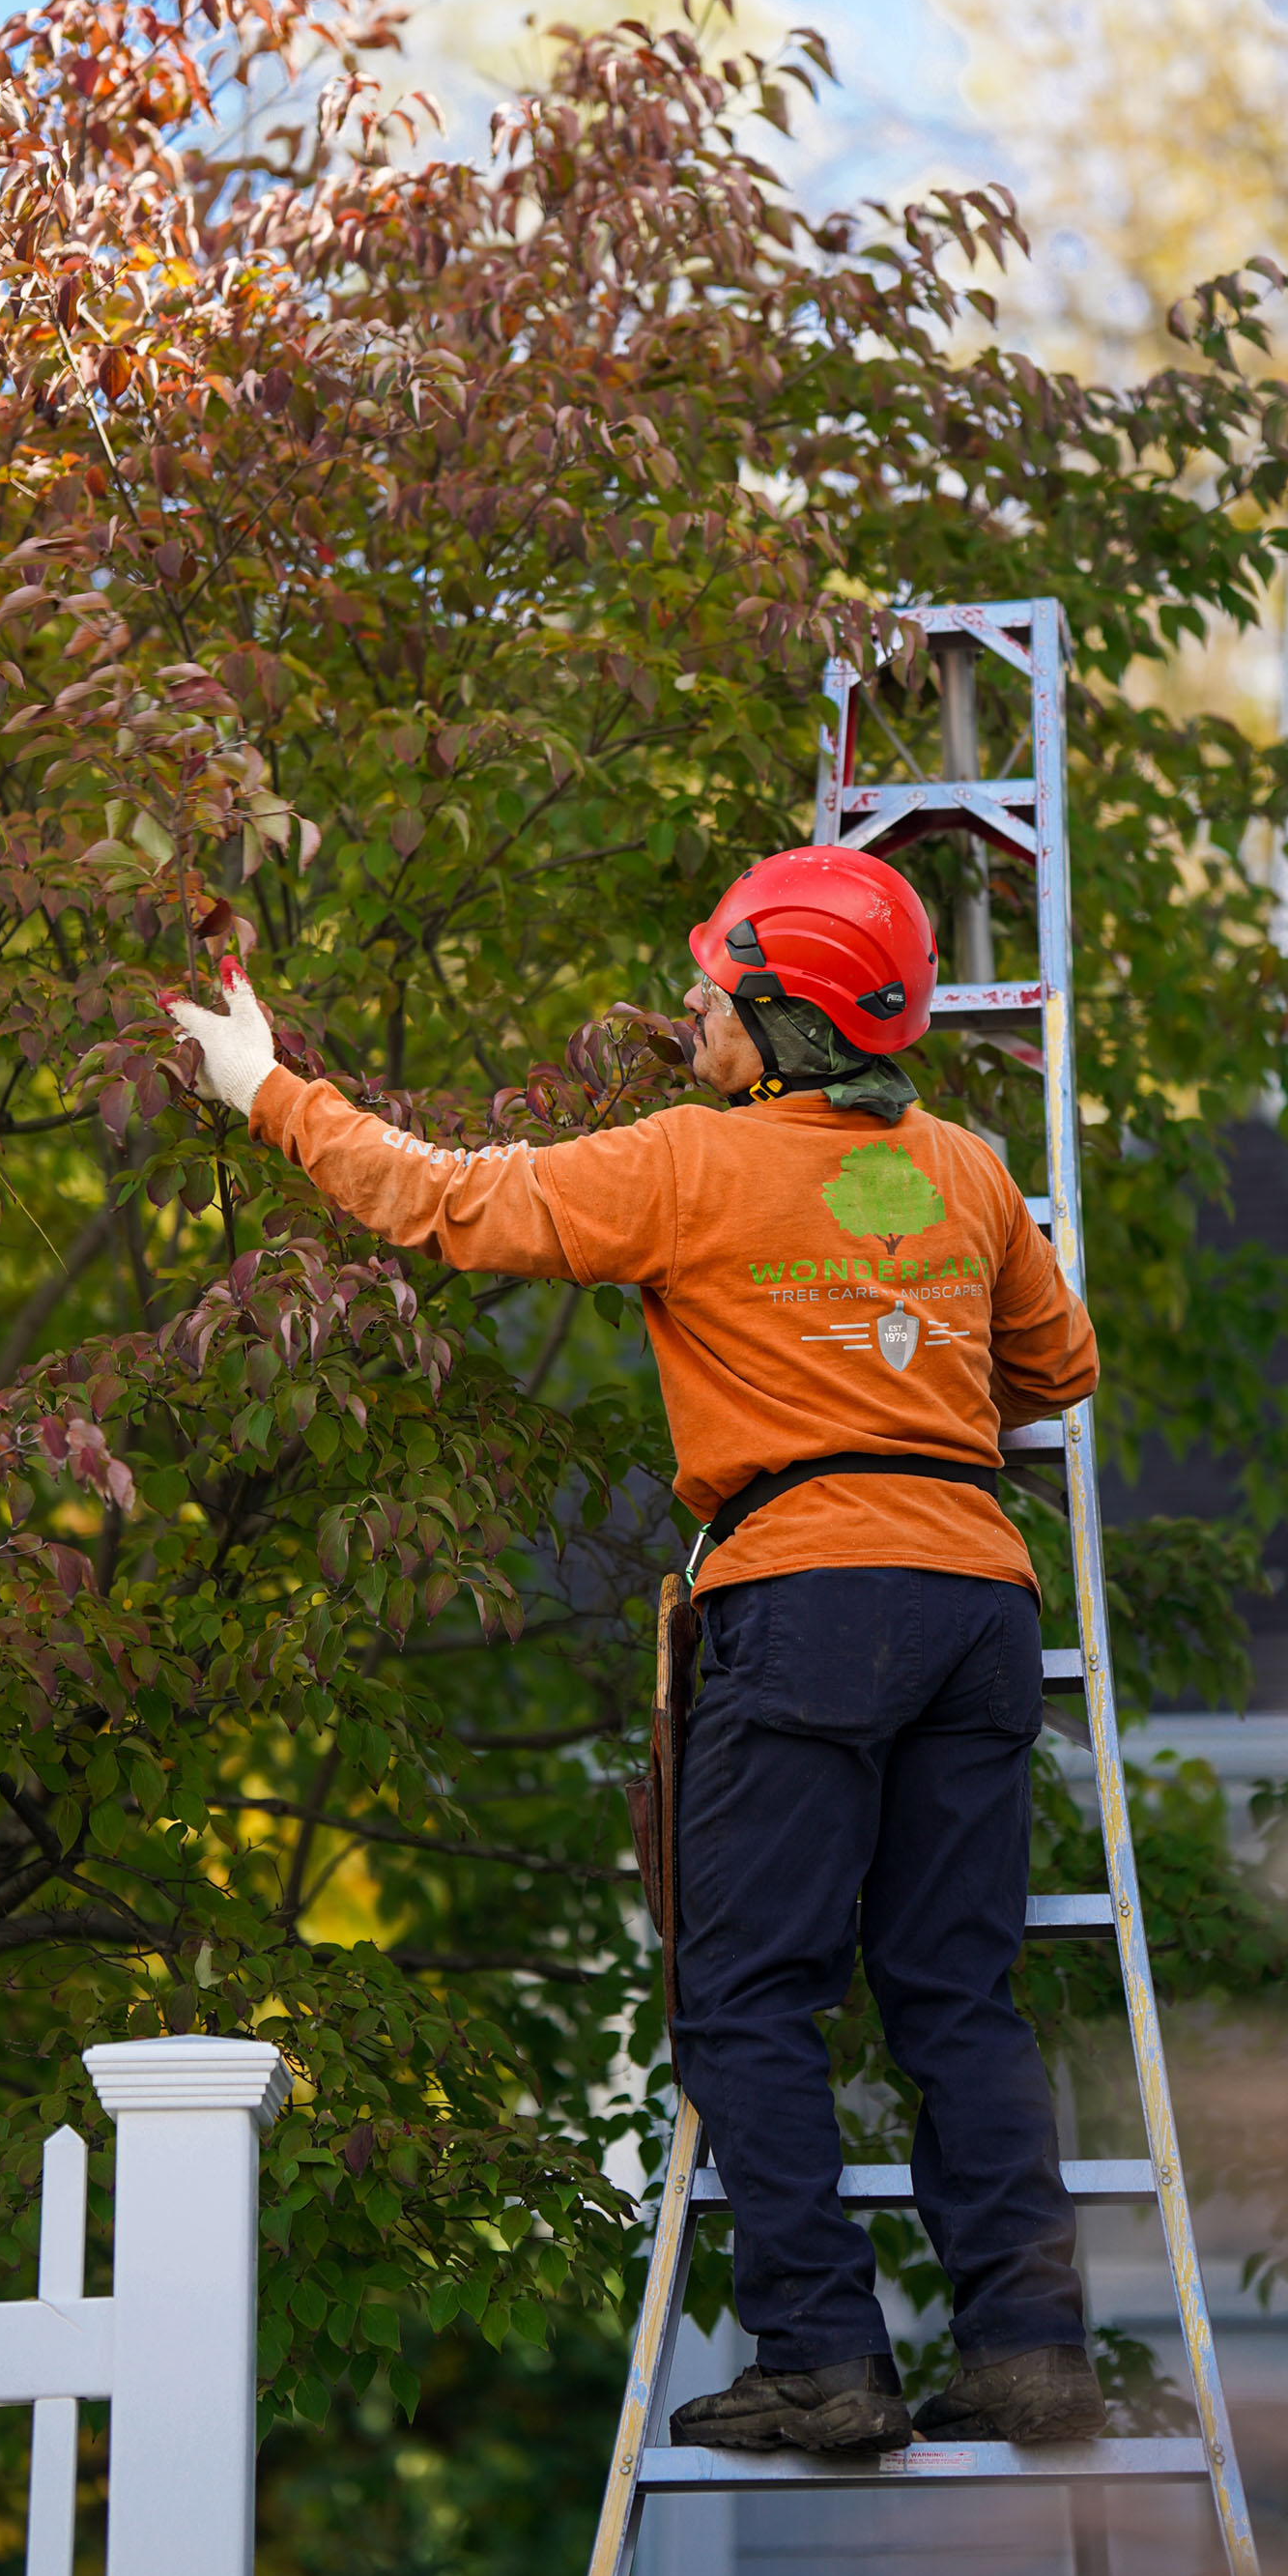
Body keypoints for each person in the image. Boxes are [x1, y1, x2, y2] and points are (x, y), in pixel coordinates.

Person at [167, 844, 1103, 2456]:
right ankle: (1029, 2352)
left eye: (714, 984)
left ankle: (825, 2359)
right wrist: (895, 1359)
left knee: (744, 1993)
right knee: (958, 1994)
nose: (690, 1001)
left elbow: (443, 1199)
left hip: (808, 1596)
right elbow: (1060, 1371)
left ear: (780, 1016)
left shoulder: (690, 1165)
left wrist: (264, 1085)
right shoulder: (961, 1170)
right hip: (980, 1602)